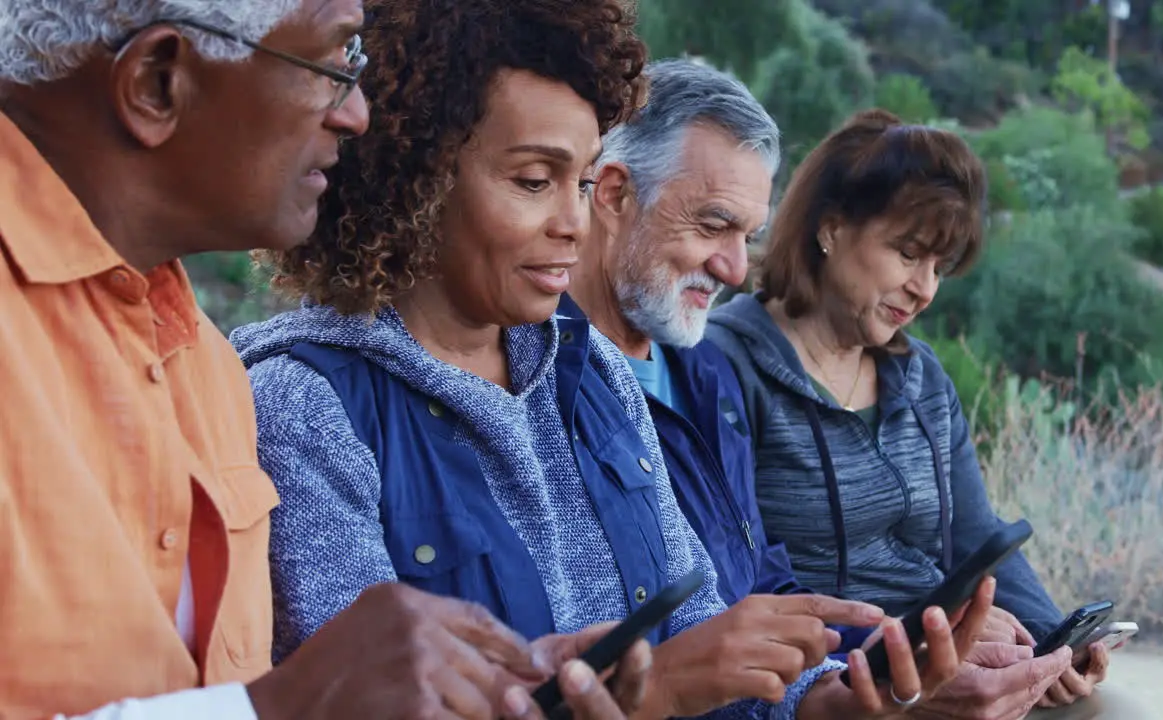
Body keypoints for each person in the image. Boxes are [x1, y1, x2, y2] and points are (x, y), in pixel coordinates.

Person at [233, 2, 975, 718]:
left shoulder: (591, 373)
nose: (573, 222)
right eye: (534, 181)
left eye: (583, 183)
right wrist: (659, 693)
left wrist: (826, 698)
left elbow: (704, 634)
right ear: (414, 176)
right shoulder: (304, 406)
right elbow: (365, 702)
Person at [0, 1, 643, 719]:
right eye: (334, 67)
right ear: (158, 82)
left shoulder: (205, 369)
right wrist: (287, 706)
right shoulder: (293, 392)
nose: (359, 116)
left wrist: (500, 691)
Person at [705, 110, 1148, 719]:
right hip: (845, 677)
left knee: (1117, 711)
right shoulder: (723, 368)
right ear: (830, 228)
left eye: (940, 267)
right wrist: (915, 640)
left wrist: (1052, 641)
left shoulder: (920, 376)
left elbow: (974, 535)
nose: (925, 289)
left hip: (949, 653)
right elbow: (745, 582)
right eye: (908, 253)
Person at [566, 57, 881, 655]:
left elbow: (755, 584)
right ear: (614, 194)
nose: (735, 269)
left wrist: (889, 650)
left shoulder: (709, 372)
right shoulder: (532, 380)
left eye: (748, 236)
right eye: (713, 225)